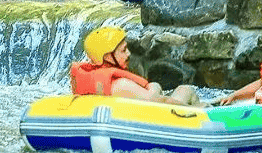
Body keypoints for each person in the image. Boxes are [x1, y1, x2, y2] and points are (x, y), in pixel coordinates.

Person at [69, 25, 199, 106]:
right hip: (151, 121)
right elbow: (160, 102)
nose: (129, 54)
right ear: (108, 56)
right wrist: (155, 86)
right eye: (124, 50)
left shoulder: (94, 77)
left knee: (183, 90)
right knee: (186, 90)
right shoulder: (121, 85)